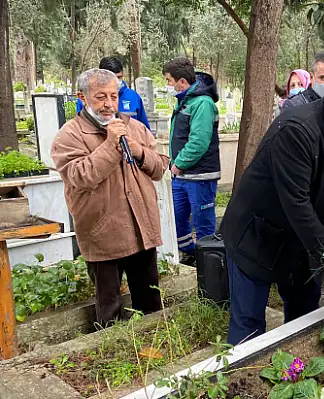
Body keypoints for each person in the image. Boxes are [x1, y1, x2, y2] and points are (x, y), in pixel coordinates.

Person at [221, 67, 324, 345]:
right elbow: (296, 203)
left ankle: (295, 377)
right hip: (257, 237)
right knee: (248, 326)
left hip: (302, 242)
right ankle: (239, 381)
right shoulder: (296, 130)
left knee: (304, 320)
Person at [52, 69, 170, 326]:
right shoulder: (69, 135)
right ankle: (114, 354)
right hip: (102, 233)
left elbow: (160, 167)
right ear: (82, 97)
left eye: (114, 96)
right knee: (109, 308)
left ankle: (155, 347)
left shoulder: (134, 127)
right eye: (100, 97)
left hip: (141, 228)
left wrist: (136, 148)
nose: (109, 104)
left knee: (150, 302)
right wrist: (111, 145)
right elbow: (81, 176)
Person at [163, 58, 221, 266]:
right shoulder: (186, 100)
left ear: (181, 82)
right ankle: (191, 254)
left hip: (200, 176)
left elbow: (199, 141)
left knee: (203, 223)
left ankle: (209, 265)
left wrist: (178, 164)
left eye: (169, 81)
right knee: (177, 219)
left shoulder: (202, 103)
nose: (168, 85)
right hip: (181, 175)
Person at [76, 57, 151, 130]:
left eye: (119, 77)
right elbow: (80, 128)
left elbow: (145, 130)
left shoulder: (133, 96)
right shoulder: (87, 98)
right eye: (100, 97)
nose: (116, 82)